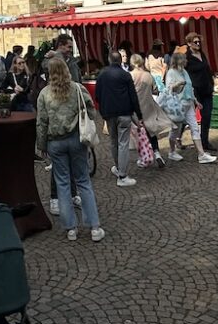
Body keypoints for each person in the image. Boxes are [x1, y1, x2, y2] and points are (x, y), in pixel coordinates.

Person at [36, 57, 104, 242]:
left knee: (63, 184)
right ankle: (94, 227)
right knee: (83, 181)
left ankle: (71, 228)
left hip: (55, 142)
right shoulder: (77, 88)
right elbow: (91, 111)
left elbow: (41, 123)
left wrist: (41, 146)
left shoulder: (44, 94)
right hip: (76, 139)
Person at [95, 52, 143, 187]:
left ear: (109, 59)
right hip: (124, 113)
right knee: (123, 143)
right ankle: (122, 175)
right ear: (121, 60)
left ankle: (118, 168)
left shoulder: (102, 75)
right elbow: (133, 97)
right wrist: (139, 116)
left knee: (113, 142)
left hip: (109, 113)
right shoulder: (125, 75)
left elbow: (97, 96)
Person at [162, 52, 217, 164]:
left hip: (189, 104)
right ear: (178, 61)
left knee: (195, 127)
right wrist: (177, 84)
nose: (186, 61)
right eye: (183, 59)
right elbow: (168, 88)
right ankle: (172, 152)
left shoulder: (185, 71)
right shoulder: (171, 73)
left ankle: (201, 155)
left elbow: (190, 88)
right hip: (178, 106)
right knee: (175, 130)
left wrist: (196, 100)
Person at [129, 53, 169, 167]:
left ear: (132, 63)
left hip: (136, 108)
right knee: (151, 132)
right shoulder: (148, 75)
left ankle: (143, 157)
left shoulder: (130, 76)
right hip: (149, 105)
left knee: (140, 133)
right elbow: (155, 89)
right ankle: (157, 154)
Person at [185, 32, 216, 153]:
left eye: (199, 42)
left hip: (206, 89)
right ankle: (177, 137)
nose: (198, 44)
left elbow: (207, 69)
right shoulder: (187, 57)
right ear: (189, 43)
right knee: (187, 117)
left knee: (207, 115)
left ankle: (205, 141)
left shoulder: (201, 54)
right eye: (195, 42)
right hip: (194, 91)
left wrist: (212, 82)